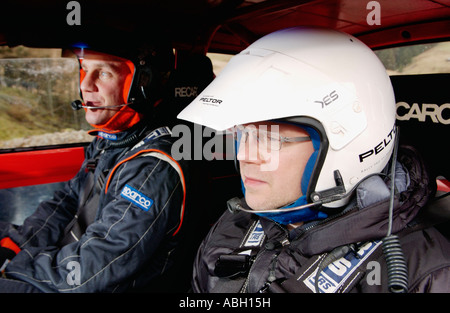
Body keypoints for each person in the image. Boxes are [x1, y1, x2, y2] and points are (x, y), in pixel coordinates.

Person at [177, 26, 450, 293]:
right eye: (242, 133)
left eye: (270, 139)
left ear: (345, 145)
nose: (242, 154)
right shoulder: (235, 222)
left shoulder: (426, 273)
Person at [0, 40, 190, 292]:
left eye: (102, 73)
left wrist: (16, 268)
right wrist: (15, 245)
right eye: (84, 69)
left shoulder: (152, 168)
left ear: (143, 84)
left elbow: (95, 266)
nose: (85, 85)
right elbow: (67, 201)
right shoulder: (108, 140)